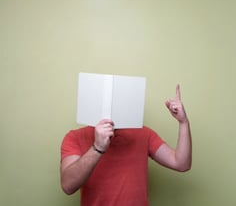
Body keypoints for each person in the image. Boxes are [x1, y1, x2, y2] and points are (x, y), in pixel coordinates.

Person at [60, 84, 192, 206]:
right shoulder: (74, 137)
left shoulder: (144, 134)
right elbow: (68, 186)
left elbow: (181, 164)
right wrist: (97, 148)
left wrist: (183, 122)